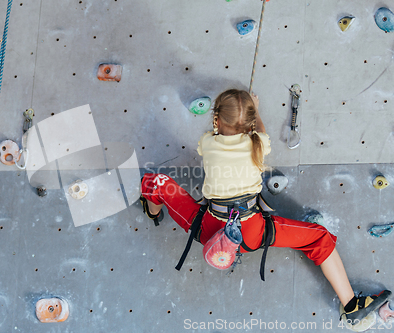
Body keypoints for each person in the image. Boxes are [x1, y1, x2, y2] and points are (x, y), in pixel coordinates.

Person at [139, 88, 390, 325]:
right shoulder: (258, 143)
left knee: (157, 183)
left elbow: (219, 137)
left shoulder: (208, 142)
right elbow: (260, 131)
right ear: (250, 125)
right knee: (320, 238)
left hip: (209, 231)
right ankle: (351, 305)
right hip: (252, 232)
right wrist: (256, 110)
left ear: (215, 120)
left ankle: (152, 212)